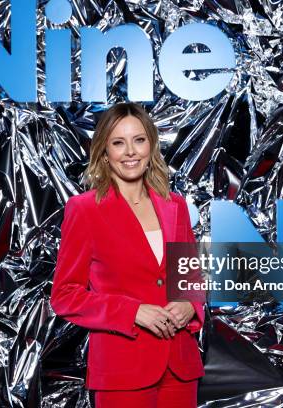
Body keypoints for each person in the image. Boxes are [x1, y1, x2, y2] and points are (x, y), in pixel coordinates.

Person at [50, 102, 205, 407]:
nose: (131, 152)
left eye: (139, 140)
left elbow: (190, 277)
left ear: (151, 145)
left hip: (180, 366)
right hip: (123, 370)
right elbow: (65, 295)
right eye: (118, 143)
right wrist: (131, 311)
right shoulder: (84, 209)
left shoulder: (175, 205)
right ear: (105, 153)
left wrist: (190, 303)